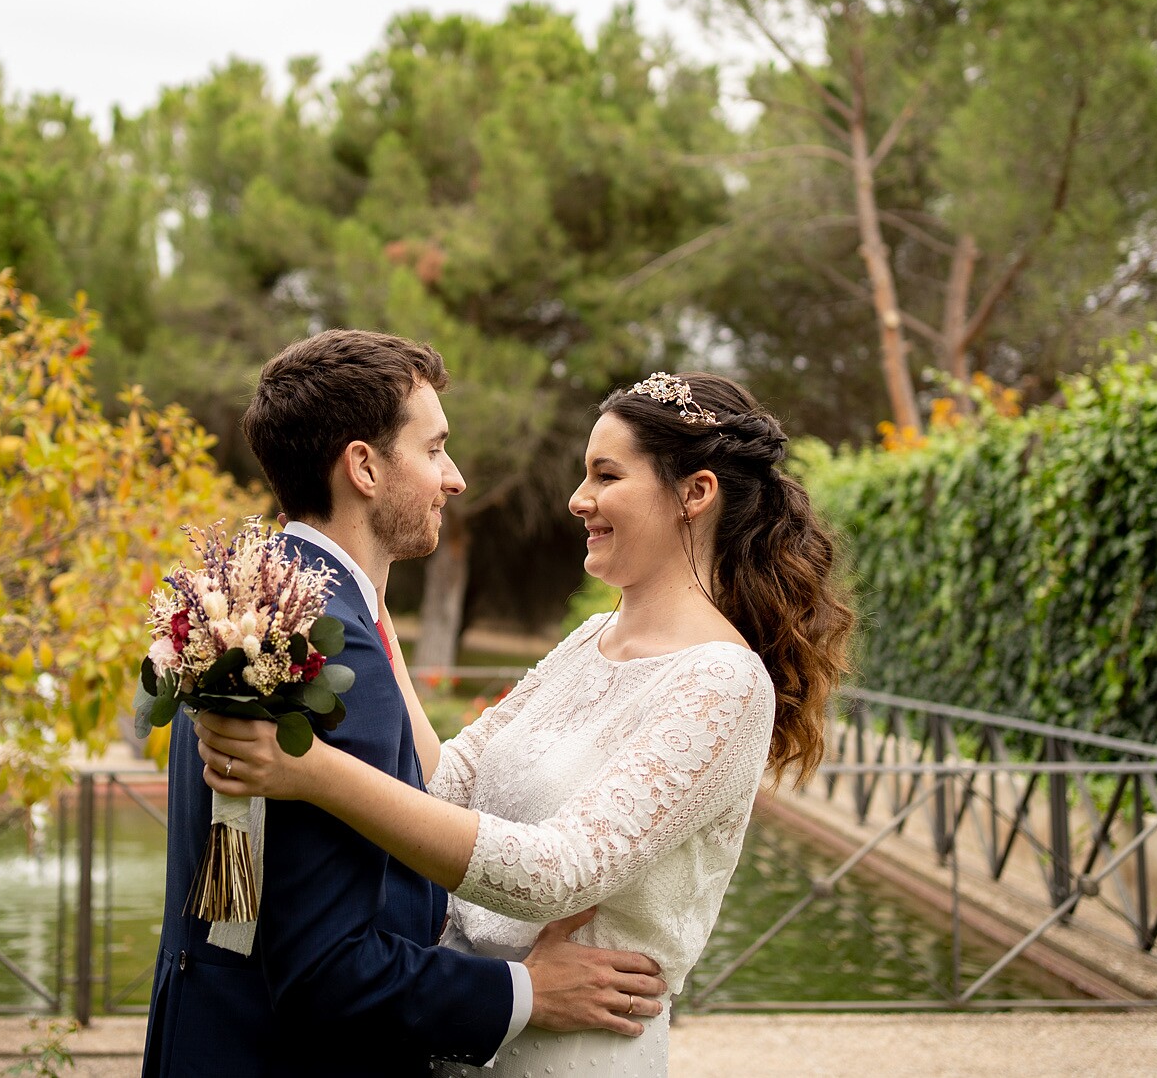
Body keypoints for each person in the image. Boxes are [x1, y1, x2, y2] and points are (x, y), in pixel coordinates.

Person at [196, 370, 854, 1078]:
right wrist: (373, 599)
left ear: (695, 493)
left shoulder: (723, 680)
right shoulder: (587, 640)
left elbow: (560, 869)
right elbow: (445, 783)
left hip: (575, 1048)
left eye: (606, 474)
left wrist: (314, 772)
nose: (579, 500)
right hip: (470, 1037)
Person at [143, 330, 670, 1078]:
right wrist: (527, 990)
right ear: (363, 466)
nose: (453, 478)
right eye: (433, 449)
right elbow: (329, 969)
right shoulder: (329, 644)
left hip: (204, 1037)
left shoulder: (244, 603)